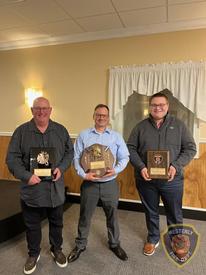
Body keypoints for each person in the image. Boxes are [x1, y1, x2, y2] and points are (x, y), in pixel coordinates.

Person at [6, 97, 74, 274]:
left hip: (55, 189)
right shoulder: (21, 132)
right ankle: (33, 254)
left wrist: (61, 168)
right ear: (31, 110)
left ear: (50, 110)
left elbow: (69, 153)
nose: (41, 112)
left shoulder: (60, 130)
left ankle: (56, 249)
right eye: (37, 108)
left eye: (45, 108)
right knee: (32, 225)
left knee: (57, 223)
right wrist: (26, 176)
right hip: (32, 190)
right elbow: (11, 159)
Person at [127, 92, 196, 256]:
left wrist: (176, 166)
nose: (158, 108)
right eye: (154, 105)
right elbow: (130, 148)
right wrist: (141, 167)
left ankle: (177, 239)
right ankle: (152, 238)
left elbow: (190, 148)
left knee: (174, 212)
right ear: (149, 107)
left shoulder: (179, 125)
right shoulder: (140, 127)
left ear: (167, 107)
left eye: (161, 105)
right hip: (146, 179)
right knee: (151, 211)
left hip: (172, 180)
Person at [68, 104, 129, 262]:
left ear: (108, 118)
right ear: (93, 116)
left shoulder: (116, 136)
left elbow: (125, 157)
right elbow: (76, 157)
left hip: (110, 183)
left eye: (104, 115)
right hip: (90, 184)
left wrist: (116, 169)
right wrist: (83, 174)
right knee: (85, 215)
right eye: (98, 115)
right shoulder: (83, 135)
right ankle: (80, 244)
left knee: (112, 215)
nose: (101, 117)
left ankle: (114, 244)